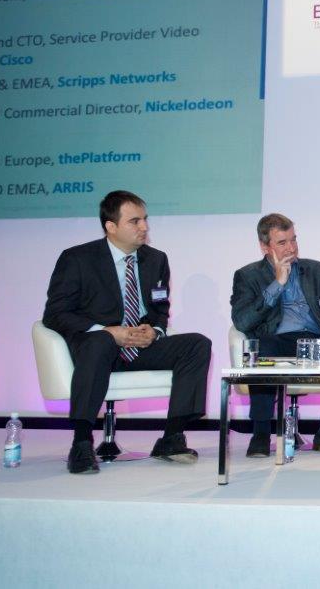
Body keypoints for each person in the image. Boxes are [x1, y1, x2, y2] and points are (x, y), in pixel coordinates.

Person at [43, 190, 212, 475]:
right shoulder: (78, 258)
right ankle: (81, 443)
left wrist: (154, 330)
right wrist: (107, 332)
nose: (144, 227)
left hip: (139, 346)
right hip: (98, 347)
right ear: (111, 226)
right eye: (135, 221)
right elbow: (55, 313)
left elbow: (160, 308)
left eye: (145, 219)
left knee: (197, 344)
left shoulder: (156, 259)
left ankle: (172, 438)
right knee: (100, 342)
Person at [230, 213, 320, 458]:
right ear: (265, 246)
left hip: (316, 341)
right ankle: (260, 434)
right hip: (277, 340)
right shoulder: (248, 275)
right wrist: (277, 284)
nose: (291, 248)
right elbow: (243, 321)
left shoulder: (317, 271)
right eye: (282, 243)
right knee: (260, 349)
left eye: (293, 240)